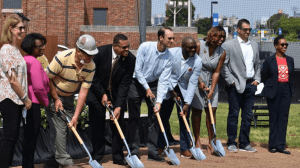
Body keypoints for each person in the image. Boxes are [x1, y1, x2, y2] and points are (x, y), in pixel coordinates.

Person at [44, 34, 98, 168]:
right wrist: (56, 99)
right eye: (88, 54)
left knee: (68, 129)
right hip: (53, 96)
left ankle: (51, 161)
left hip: (68, 99)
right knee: (60, 129)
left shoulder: (90, 66)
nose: (90, 58)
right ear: (78, 51)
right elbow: (47, 78)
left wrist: (76, 116)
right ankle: (66, 162)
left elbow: (83, 92)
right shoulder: (62, 58)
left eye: (92, 55)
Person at [86, 34, 135, 165]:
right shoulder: (100, 53)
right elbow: (93, 77)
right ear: (115, 46)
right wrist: (102, 94)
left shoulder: (130, 59)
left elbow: (125, 84)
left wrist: (118, 106)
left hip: (117, 94)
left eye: (128, 47)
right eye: (124, 47)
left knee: (119, 123)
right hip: (97, 92)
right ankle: (97, 155)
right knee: (97, 124)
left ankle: (118, 157)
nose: (127, 50)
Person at [127, 26, 174, 162]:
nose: (172, 41)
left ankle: (152, 153)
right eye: (169, 38)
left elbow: (164, 81)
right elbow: (138, 70)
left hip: (153, 84)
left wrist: (159, 102)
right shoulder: (145, 47)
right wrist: (146, 88)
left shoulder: (169, 57)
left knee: (154, 117)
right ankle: (133, 152)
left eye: (173, 38)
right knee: (133, 117)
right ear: (161, 38)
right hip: (136, 83)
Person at [158, 36, 202, 158]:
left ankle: (185, 148)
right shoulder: (171, 53)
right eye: (190, 48)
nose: (193, 50)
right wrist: (171, 91)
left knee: (184, 118)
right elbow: (163, 74)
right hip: (168, 87)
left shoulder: (197, 61)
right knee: (163, 117)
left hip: (184, 89)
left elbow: (193, 83)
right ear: (183, 47)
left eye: (195, 47)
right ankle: (160, 146)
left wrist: (187, 103)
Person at [221, 19, 261, 152]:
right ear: (238, 30)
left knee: (247, 115)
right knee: (233, 113)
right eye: (245, 30)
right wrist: (231, 81)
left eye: (249, 30)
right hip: (235, 85)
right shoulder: (228, 45)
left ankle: (244, 143)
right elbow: (224, 66)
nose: (248, 32)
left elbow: (258, 64)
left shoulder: (254, 44)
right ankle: (231, 142)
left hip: (251, 85)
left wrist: (257, 79)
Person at [0, 14, 32, 168]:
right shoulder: (6, 49)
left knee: (12, 137)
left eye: (24, 28)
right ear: (11, 29)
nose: (23, 30)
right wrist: (25, 98)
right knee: (9, 138)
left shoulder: (15, 49)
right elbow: (12, 79)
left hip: (17, 99)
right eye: (20, 28)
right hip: (10, 99)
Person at [191, 26, 226, 154]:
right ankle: (197, 140)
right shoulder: (199, 45)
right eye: (219, 36)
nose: (221, 39)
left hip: (212, 82)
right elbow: (193, 65)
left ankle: (212, 141)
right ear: (211, 36)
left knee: (212, 111)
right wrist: (200, 81)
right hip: (197, 78)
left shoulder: (222, 52)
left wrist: (212, 89)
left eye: (223, 37)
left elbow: (217, 71)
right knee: (197, 111)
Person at [261, 35, 294, 154]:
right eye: (282, 45)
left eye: (286, 45)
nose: (285, 46)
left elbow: (291, 75)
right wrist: (270, 86)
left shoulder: (290, 59)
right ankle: (272, 145)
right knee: (273, 117)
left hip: (286, 90)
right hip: (273, 90)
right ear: (276, 46)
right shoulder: (269, 60)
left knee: (283, 117)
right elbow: (264, 75)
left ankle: (281, 145)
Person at [21, 33, 50, 168]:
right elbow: (38, 88)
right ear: (31, 47)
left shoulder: (24, 60)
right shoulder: (35, 63)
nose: (42, 49)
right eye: (39, 46)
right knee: (31, 138)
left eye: (42, 45)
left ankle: (27, 164)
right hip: (34, 103)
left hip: (25, 102)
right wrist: (46, 102)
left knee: (28, 138)